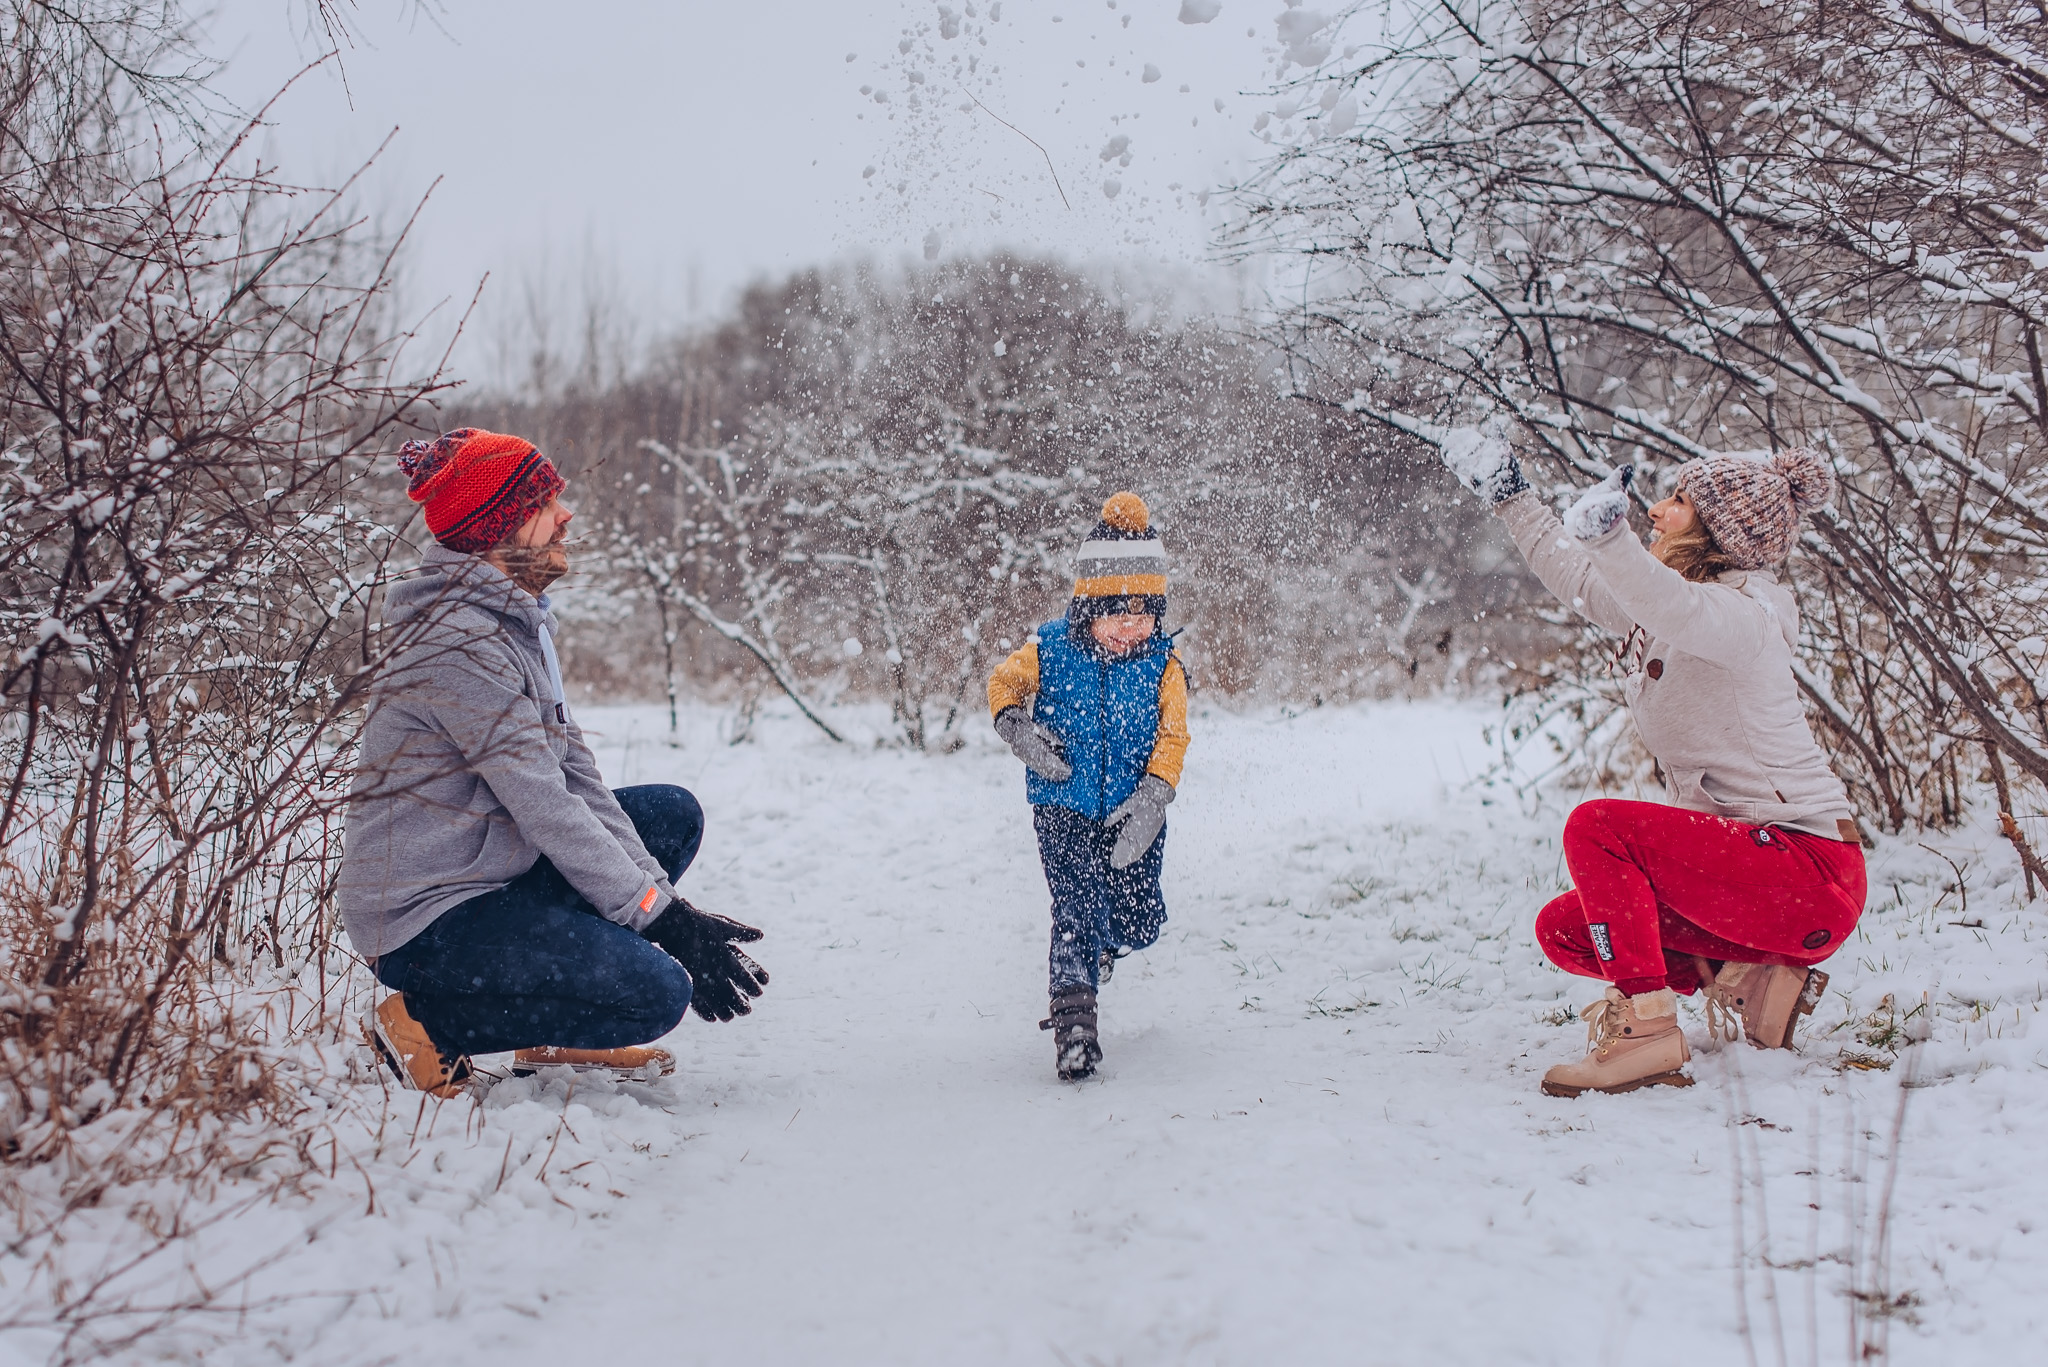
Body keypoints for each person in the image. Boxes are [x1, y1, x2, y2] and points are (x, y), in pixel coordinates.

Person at [340, 428, 769, 1098]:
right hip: (429, 918)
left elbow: (577, 781)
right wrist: (661, 925)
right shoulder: (456, 644)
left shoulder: (515, 620)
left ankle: (559, 1030)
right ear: (498, 528)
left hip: (489, 875)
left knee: (667, 814)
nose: (565, 513)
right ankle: (424, 1022)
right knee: (654, 996)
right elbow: (543, 803)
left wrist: (667, 907)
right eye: (544, 501)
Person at [1442, 433, 1866, 1097]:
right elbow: (1588, 584)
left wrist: (1611, 540)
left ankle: (1647, 1032)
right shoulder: (1677, 602)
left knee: (1598, 827)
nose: (1658, 511)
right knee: (1569, 930)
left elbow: (1670, 603)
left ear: (1716, 532)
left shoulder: (1744, 616)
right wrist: (1513, 497)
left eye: (1678, 502)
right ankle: (1754, 975)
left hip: (1807, 868)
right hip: (1760, 878)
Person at [987, 492, 1191, 1081]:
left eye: (1145, 610)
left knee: (1139, 920)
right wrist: (1016, 726)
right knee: (1074, 908)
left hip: (1133, 810)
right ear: (1088, 607)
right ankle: (1075, 1026)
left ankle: (1108, 943)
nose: (1133, 624)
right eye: (1118, 609)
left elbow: (1173, 737)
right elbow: (1003, 684)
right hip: (1063, 805)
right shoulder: (1049, 649)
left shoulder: (1164, 666)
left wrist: (1155, 796)